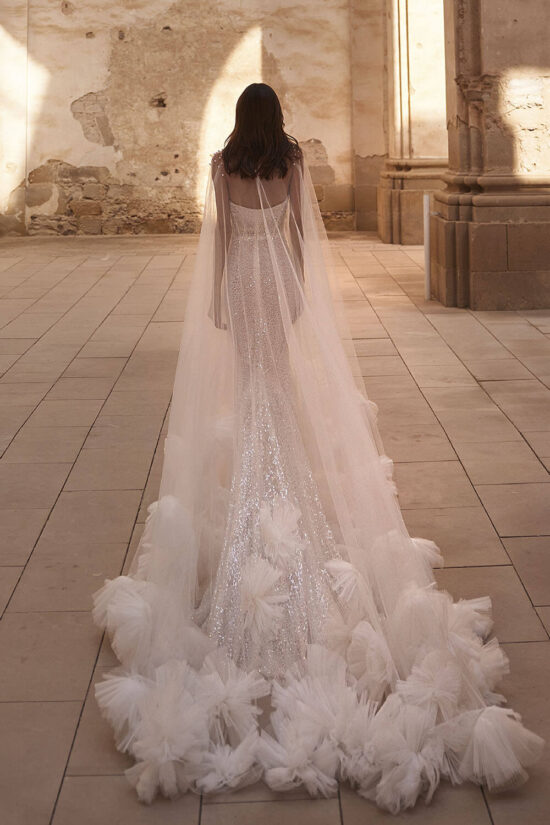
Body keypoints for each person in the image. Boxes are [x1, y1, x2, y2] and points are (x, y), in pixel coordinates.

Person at [92, 83, 543, 813]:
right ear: (278, 122)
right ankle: (290, 498)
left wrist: (219, 302)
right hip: (277, 287)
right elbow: (301, 239)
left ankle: (254, 507)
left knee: (255, 396)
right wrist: (299, 296)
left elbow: (222, 243)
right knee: (280, 400)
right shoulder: (291, 162)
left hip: (242, 286)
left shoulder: (221, 164)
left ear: (241, 122)